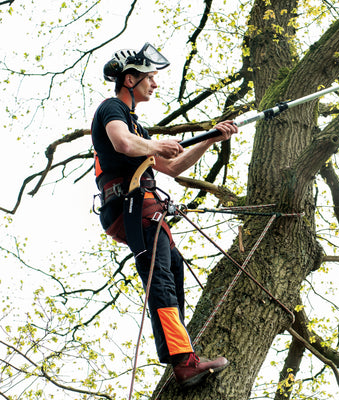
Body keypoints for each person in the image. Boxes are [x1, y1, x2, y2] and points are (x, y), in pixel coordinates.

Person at [91, 43, 238, 388]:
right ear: (130, 79)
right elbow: (123, 144)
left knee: (171, 272)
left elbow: (172, 166)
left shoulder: (139, 130)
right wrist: (157, 145)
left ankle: (183, 354)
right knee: (160, 277)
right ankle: (184, 362)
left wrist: (210, 140)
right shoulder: (112, 110)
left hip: (146, 210)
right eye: (150, 77)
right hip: (131, 208)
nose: (155, 84)